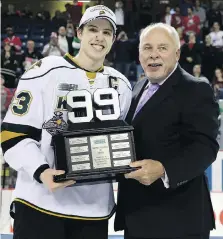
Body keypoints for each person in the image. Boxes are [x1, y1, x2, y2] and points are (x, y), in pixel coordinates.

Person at [1, 5, 132, 239]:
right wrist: (41, 172)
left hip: (94, 211)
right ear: (79, 33)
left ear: (113, 39)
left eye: (106, 32)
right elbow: (12, 135)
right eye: (93, 29)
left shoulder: (121, 85)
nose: (99, 37)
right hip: (39, 203)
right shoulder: (43, 71)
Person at [114, 23, 219, 239]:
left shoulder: (196, 88)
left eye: (162, 48)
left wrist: (163, 170)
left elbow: (205, 147)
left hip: (178, 220)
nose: (154, 55)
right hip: (137, 216)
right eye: (147, 48)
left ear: (177, 53)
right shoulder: (136, 88)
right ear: (139, 53)